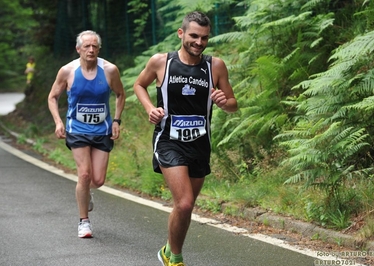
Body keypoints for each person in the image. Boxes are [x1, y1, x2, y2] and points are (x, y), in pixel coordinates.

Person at [133, 11, 238, 266]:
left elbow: (233, 104)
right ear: (181, 34)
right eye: (193, 36)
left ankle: (169, 249)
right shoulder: (161, 63)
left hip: (200, 144)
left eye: (204, 38)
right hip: (169, 140)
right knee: (184, 202)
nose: (199, 42)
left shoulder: (215, 66)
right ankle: (175, 259)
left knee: (186, 207)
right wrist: (150, 109)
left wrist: (225, 102)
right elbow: (139, 85)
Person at [48, 30, 125, 238]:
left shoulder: (109, 70)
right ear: (78, 49)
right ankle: (84, 222)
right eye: (87, 46)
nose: (91, 50)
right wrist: (58, 122)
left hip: (102, 129)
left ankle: (86, 191)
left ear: (99, 49)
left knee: (97, 180)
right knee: (84, 174)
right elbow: (53, 97)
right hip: (77, 129)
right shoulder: (67, 71)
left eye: (95, 47)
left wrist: (116, 120)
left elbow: (120, 94)